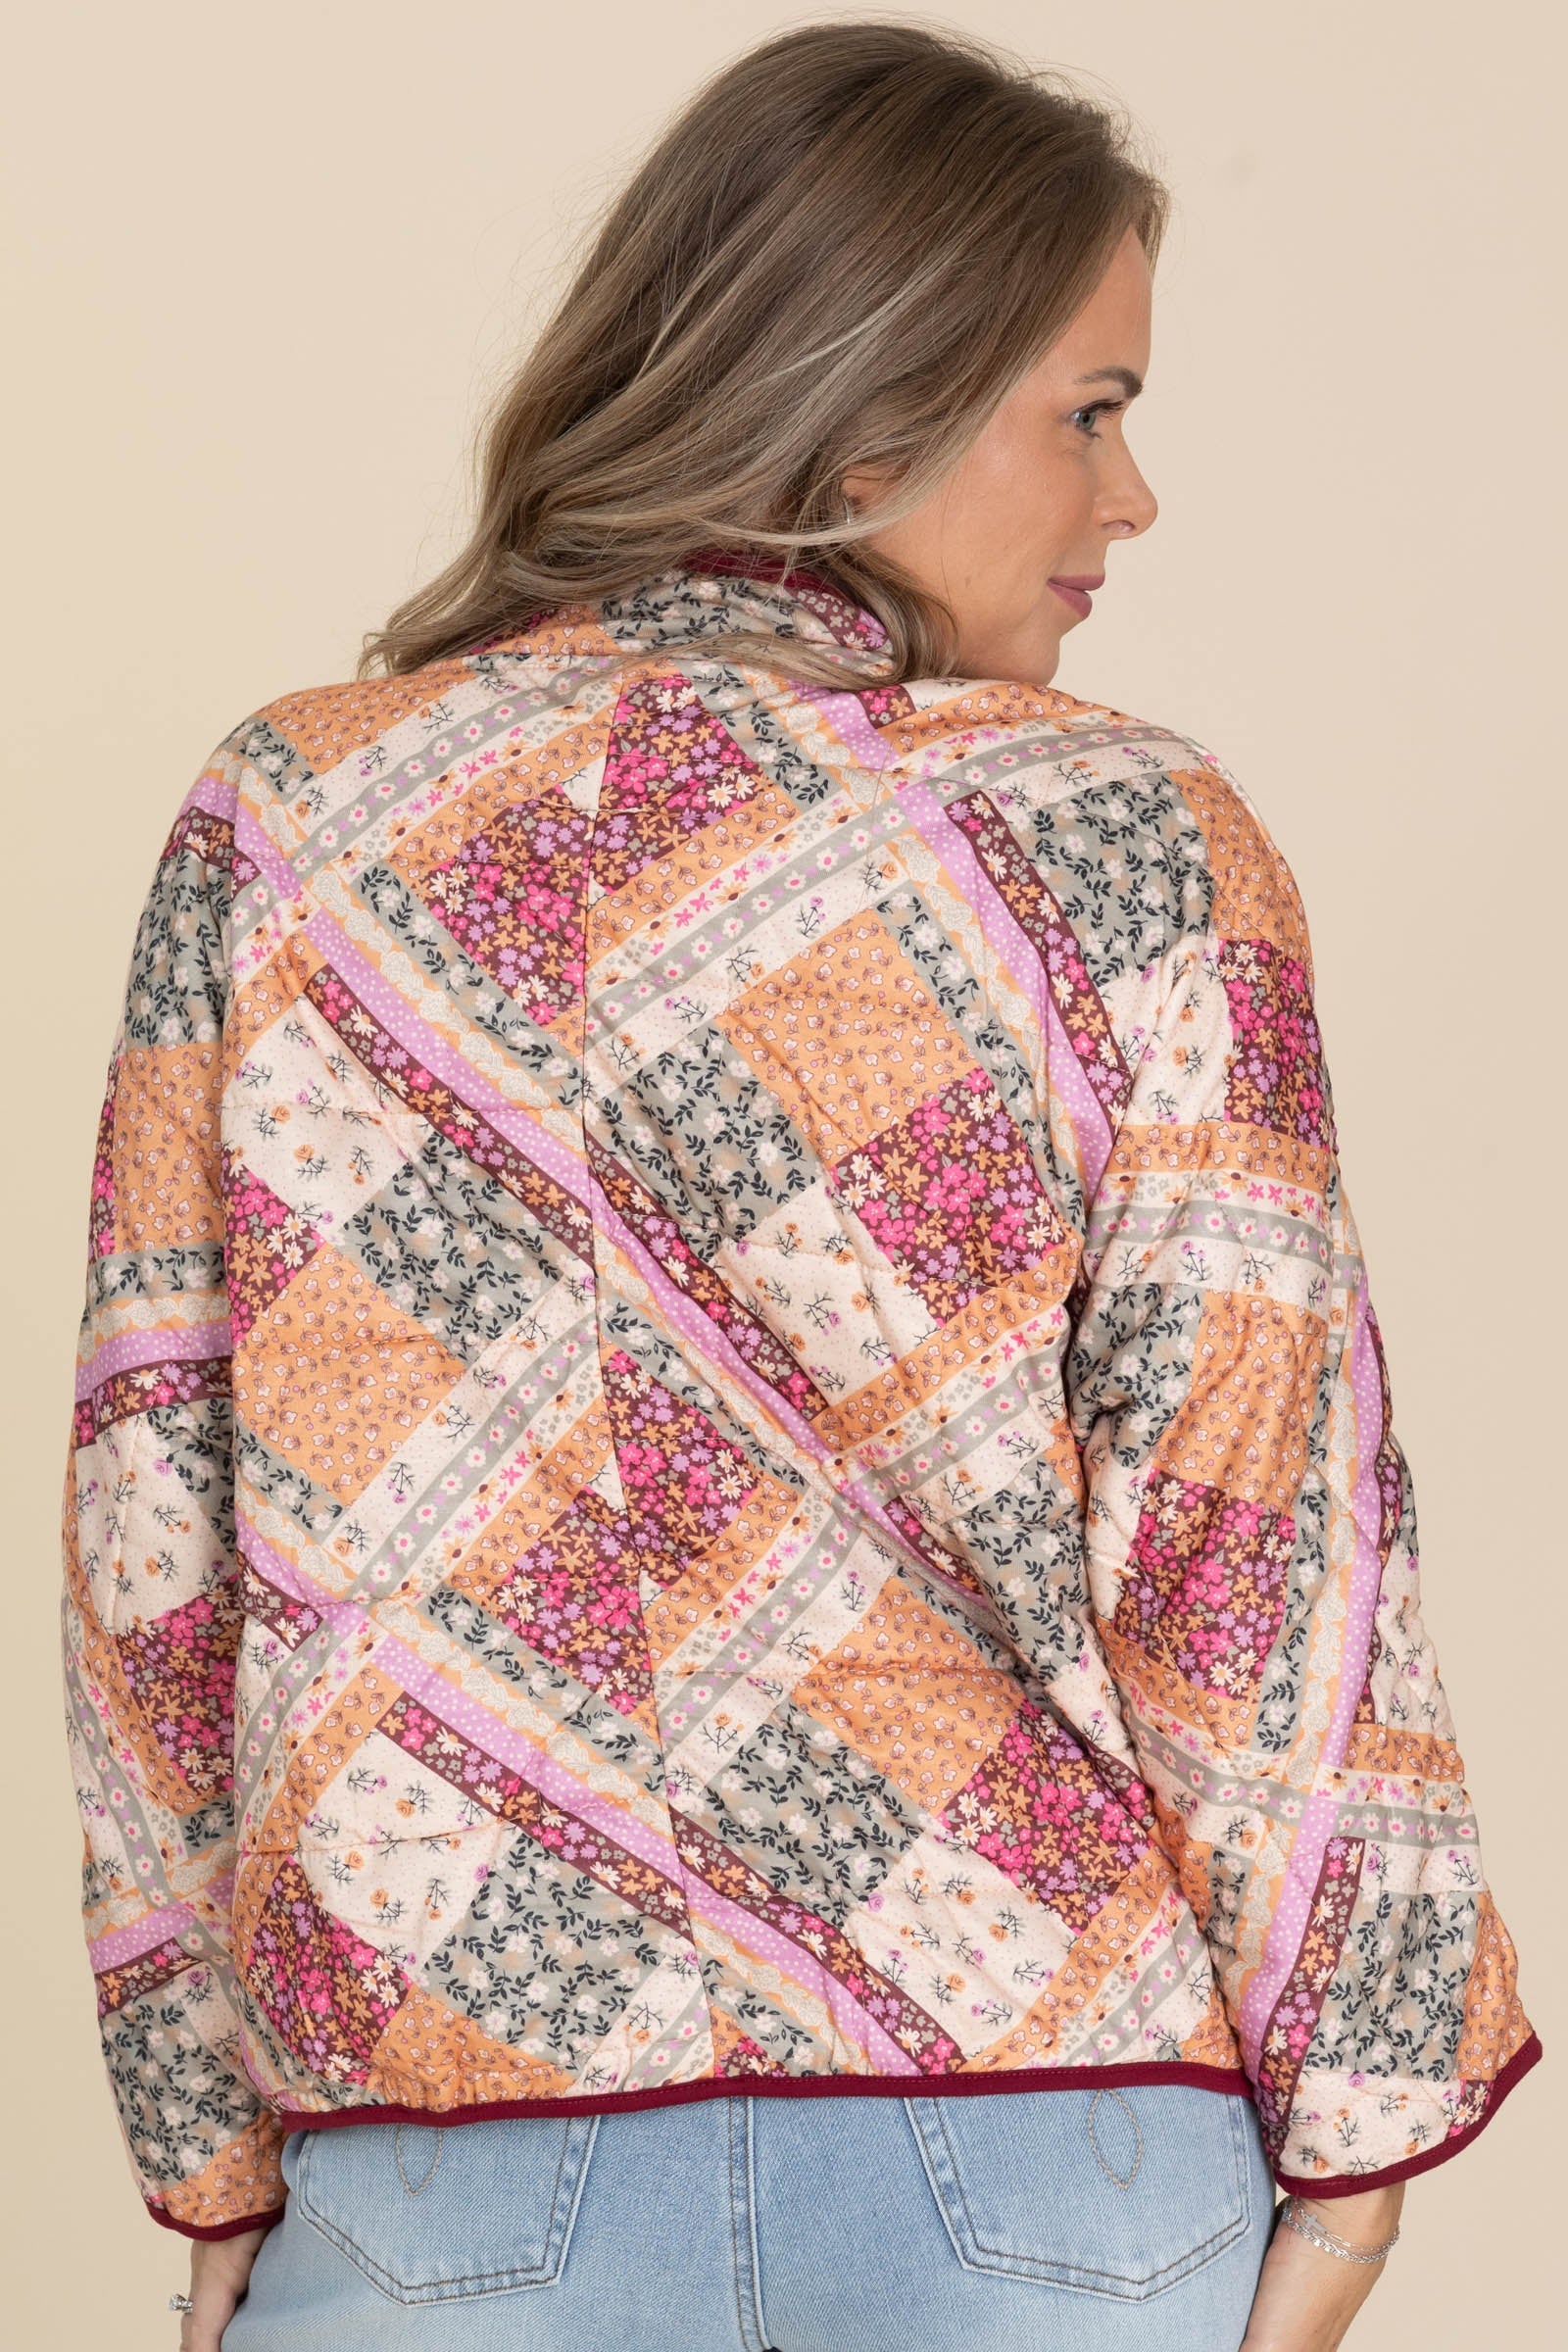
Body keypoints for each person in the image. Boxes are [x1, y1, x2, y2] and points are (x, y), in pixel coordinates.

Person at [60, 20, 1539, 2352]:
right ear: (871, 416)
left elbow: (156, 1524)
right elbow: (1252, 1544)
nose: (1130, 498)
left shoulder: (298, 824)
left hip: (452, 2144)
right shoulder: (1127, 839)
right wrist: (1354, 2159)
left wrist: (203, 2140)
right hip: (1046, 2140)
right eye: (1089, 410)